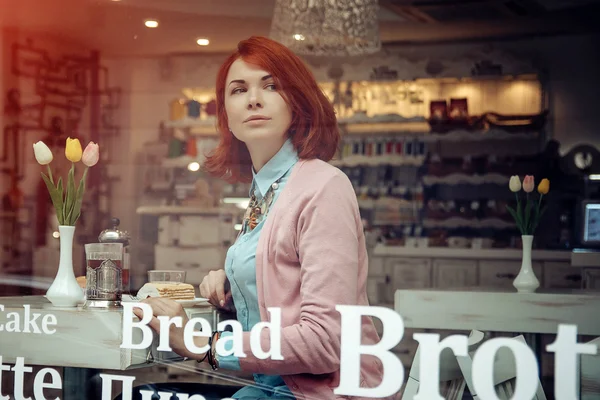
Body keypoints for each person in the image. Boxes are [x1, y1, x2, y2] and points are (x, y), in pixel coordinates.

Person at [132, 36, 390, 400]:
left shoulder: (324, 187)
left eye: (271, 85)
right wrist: (237, 286)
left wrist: (204, 343)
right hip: (271, 387)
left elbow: (324, 342)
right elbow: (286, 284)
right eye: (238, 90)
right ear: (226, 116)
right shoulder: (266, 188)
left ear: (297, 102)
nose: (254, 98)